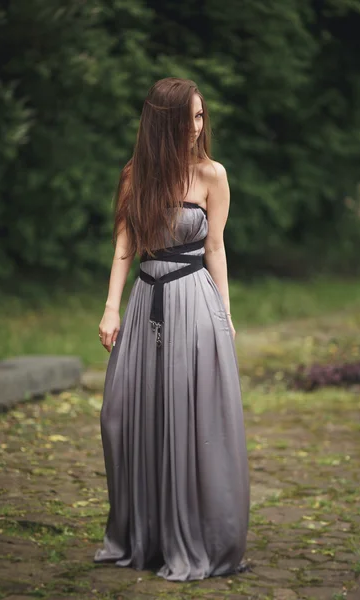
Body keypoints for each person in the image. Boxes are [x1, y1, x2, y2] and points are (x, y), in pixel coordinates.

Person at [94, 77, 250, 582]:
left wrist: (225, 317)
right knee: (122, 412)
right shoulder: (134, 175)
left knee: (191, 415)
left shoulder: (212, 175)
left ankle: (199, 536)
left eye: (202, 117)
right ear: (164, 121)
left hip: (194, 301)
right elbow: (123, 245)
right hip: (146, 303)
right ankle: (143, 533)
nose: (196, 127)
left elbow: (216, 249)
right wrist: (111, 308)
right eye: (188, 118)